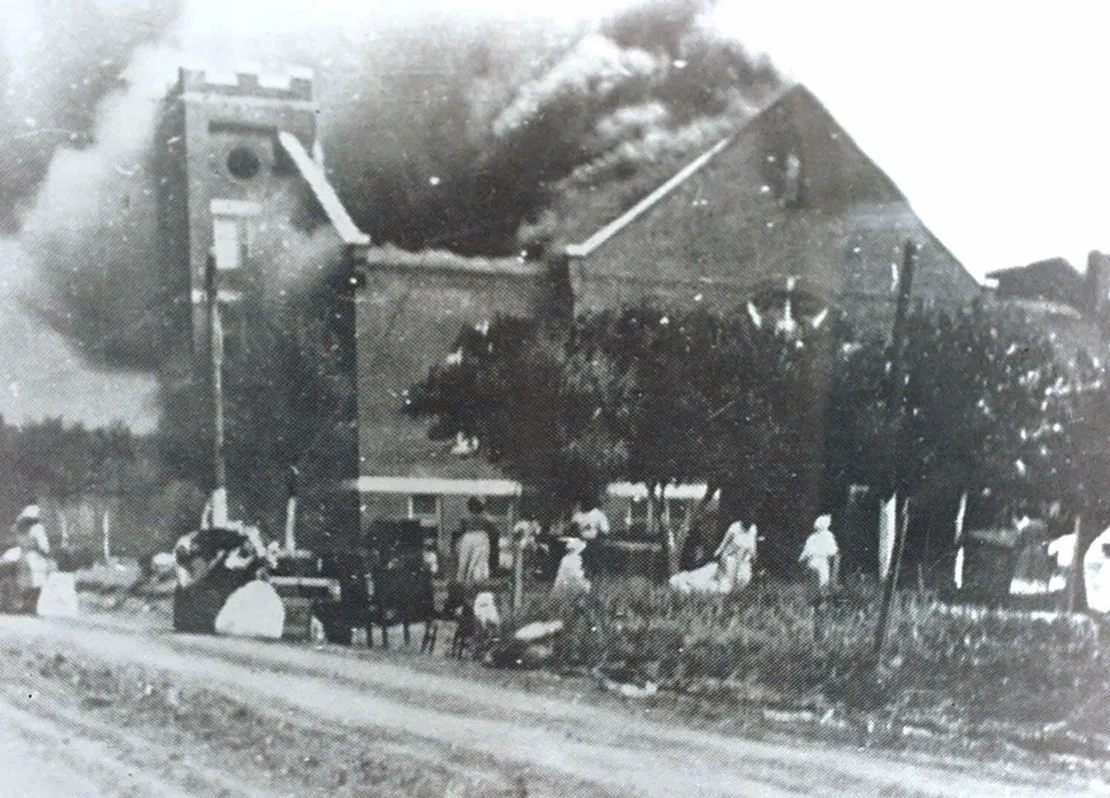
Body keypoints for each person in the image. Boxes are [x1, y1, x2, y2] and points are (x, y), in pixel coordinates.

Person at [455, 497, 493, 586]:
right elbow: (461, 529)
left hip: (477, 536)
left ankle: (474, 580)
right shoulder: (480, 517)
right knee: (468, 560)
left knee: (477, 560)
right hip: (473, 536)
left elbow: (490, 526)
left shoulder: (483, 517)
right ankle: (464, 580)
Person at [799, 514, 839, 592]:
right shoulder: (827, 536)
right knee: (823, 573)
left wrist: (802, 559)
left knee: (820, 572)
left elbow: (805, 553)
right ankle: (822, 591)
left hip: (814, 562)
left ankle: (821, 591)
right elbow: (833, 551)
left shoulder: (814, 537)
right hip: (820, 562)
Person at [715, 518, 758, 591]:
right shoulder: (734, 527)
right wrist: (718, 552)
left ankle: (736, 594)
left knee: (744, 579)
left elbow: (753, 545)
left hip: (744, 558)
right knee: (728, 585)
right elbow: (724, 542)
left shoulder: (753, 528)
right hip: (731, 557)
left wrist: (754, 557)